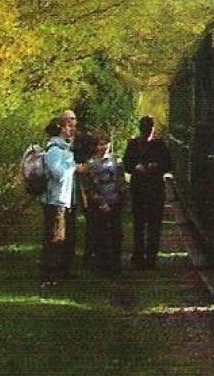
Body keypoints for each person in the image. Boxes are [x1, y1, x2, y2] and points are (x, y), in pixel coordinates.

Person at [39, 110, 86, 288]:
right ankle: (48, 276)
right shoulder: (54, 150)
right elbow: (58, 174)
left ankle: (59, 272)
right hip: (55, 200)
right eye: (67, 127)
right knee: (54, 238)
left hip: (64, 200)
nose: (71, 130)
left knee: (63, 237)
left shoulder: (64, 149)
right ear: (60, 129)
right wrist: (73, 166)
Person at [123, 114, 173, 269]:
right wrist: (136, 167)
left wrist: (156, 166)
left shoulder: (160, 145)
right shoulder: (133, 144)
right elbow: (127, 163)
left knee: (153, 224)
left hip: (155, 188)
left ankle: (151, 257)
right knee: (139, 223)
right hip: (139, 187)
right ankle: (138, 256)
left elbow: (168, 164)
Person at [80, 132, 127, 276]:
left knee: (116, 233)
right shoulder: (92, 163)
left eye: (106, 143)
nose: (103, 147)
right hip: (99, 201)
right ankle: (102, 263)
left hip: (114, 201)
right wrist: (100, 201)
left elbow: (121, 181)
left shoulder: (116, 161)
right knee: (100, 233)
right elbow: (90, 185)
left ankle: (116, 263)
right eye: (100, 144)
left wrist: (120, 198)